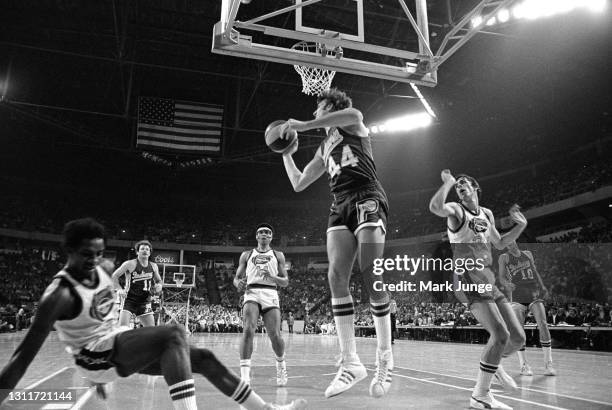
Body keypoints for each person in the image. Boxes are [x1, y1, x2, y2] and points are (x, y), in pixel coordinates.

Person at [0, 218, 305, 410]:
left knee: (202, 358)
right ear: (67, 251)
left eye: (98, 252)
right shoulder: (59, 294)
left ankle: (262, 408)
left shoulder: (104, 270)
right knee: (172, 334)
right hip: (93, 358)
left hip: (115, 348)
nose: (93, 258)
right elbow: (21, 356)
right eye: (85, 253)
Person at [280, 88, 392, 398]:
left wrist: (303, 125)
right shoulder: (323, 149)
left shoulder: (351, 123)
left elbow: (355, 114)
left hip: (366, 194)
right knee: (335, 277)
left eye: (318, 108)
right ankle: (351, 362)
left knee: (371, 273)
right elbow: (300, 182)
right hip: (339, 203)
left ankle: (385, 358)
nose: (315, 113)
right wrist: (286, 155)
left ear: (330, 106)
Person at [429, 171, 527, 410]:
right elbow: (435, 206)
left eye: (464, 183)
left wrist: (521, 225)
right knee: (500, 335)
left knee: (517, 337)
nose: (460, 187)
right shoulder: (456, 210)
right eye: (458, 186)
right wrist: (448, 183)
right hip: (468, 276)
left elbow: (501, 243)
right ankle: (480, 395)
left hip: (488, 277)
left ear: (475, 187)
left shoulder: (487, 214)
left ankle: (494, 364)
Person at [233, 224, 289, 387]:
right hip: (251, 292)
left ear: (271, 237)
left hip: (270, 292)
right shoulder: (247, 254)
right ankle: (244, 376)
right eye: (261, 232)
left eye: (268, 232)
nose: (264, 234)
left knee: (275, 335)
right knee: (248, 330)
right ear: (256, 236)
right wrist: (238, 284)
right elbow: (236, 278)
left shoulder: (278, 255)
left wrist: (273, 276)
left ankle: (281, 365)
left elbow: (285, 282)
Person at [498, 241, 557, 376]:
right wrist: (506, 284)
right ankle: (524, 365)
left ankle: (548, 364)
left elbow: (535, 272)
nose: (509, 246)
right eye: (507, 245)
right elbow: (501, 277)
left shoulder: (527, 254)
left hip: (533, 293)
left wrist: (543, 286)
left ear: (515, 242)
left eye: (511, 243)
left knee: (543, 324)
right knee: (520, 332)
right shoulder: (504, 257)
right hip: (517, 296)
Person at [112, 240, 162, 328]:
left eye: (147, 249)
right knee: (123, 330)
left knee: (151, 331)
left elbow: (159, 281)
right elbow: (114, 276)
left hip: (144, 300)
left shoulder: (154, 266)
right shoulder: (129, 264)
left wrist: (159, 286)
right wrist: (119, 289)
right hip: (129, 299)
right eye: (142, 249)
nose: (145, 251)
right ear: (137, 252)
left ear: (150, 253)